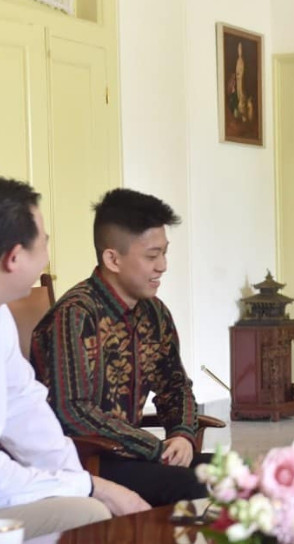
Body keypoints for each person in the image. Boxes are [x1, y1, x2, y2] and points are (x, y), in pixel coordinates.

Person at [31, 188, 210, 507]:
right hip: (85, 463)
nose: (163, 266)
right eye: (152, 256)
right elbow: (72, 411)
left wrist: (182, 434)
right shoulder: (74, 315)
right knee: (192, 485)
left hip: (136, 455)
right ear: (112, 259)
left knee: (241, 475)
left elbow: (175, 385)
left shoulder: (154, 312)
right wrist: (152, 447)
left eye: (164, 253)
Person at [0, 177, 149, 538]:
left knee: (89, 505)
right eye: (45, 242)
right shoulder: (76, 311)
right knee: (87, 513)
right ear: (15, 257)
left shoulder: (1, 313)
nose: (47, 257)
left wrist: (79, 480)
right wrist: (90, 487)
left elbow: (24, 406)